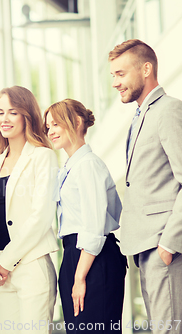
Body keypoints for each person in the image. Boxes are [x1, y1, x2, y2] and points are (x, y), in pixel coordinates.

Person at [0, 86, 59, 333]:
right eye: (0, 112)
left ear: (26, 115)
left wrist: (5, 261)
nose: (4, 119)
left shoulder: (43, 157)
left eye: (13, 112)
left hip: (31, 264)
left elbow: (40, 218)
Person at [109, 39, 182, 332]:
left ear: (146, 69)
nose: (115, 83)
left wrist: (168, 244)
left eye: (121, 74)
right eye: (113, 75)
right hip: (146, 247)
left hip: (163, 244)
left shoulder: (168, 111)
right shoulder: (140, 116)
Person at [44, 99, 127, 333]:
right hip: (75, 255)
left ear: (77, 122)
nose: (50, 131)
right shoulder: (70, 167)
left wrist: (79, 277)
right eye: (48, 126)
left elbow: (93, 226)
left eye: (56, 124)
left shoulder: (88, 165)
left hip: (92, 257)